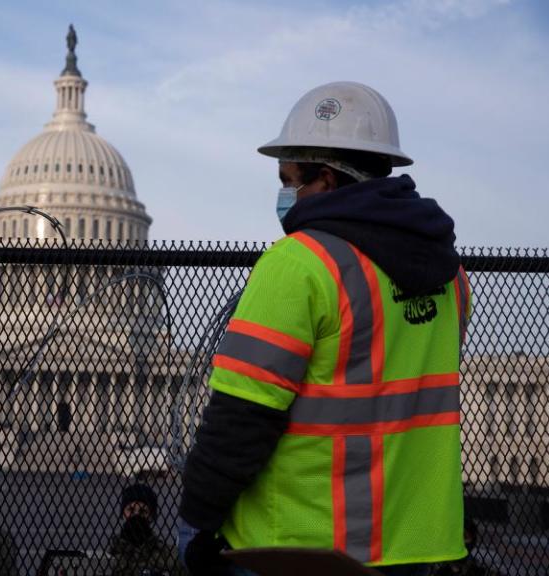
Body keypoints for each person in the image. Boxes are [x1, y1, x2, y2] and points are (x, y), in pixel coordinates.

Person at [179, 81, 470, 575]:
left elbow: (241, 417)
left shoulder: (299, 265)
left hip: (299, 547)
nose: (285, 194)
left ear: (327, 181)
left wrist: (197, 521)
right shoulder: (451, 277)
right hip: (417, 544)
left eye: (290, 179)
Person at [110, 483, 186, 576]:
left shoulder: (169, 556)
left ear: (151, 517)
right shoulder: (112, 556)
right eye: (131, 509)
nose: (136, 515)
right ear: (123, 514)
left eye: (143, 511)